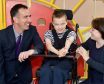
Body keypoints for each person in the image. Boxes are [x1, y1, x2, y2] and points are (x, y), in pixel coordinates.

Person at [0, 4, 44, 84]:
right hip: (7, 79)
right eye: (25, 17)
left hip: (25, 78)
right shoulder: (2, 35)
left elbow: (40, 46)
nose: (30, 20)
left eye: (29, 16)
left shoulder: (32, 30)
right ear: (15, 19)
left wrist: (30, 51)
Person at [38, 9, 76, 84]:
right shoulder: (48, 33)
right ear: (53, 23)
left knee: (58, 71)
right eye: (57, 24)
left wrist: (65, 49)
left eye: (62, 24)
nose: (60, 27)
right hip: (51, 58)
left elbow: (68, 42)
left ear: (66, 23)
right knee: (45, 71)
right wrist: (58, 52)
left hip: (66, 59)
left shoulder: (71, 33)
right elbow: (49, 46)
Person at [76, 18, 104, 84]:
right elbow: (83, 46)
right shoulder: (91, 41)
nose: (90, 31)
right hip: (91, 80)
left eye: (93, 30)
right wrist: (78, 49)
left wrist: (87, 58)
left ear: (102, 31)